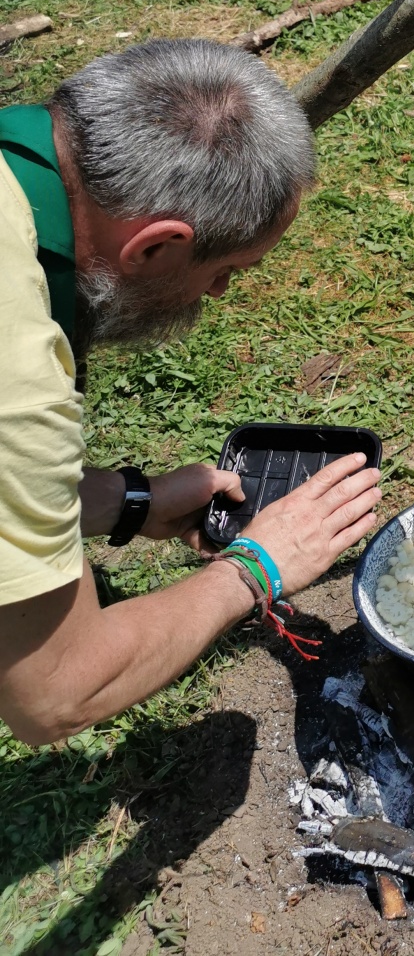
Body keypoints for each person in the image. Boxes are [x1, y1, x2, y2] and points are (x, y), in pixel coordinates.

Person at [0, 39, 383, 746]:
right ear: (152, 246)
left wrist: (128, 502)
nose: (217, 293)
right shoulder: (15, 372)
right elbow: (55, 692)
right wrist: (254, 569)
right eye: (228, 270)